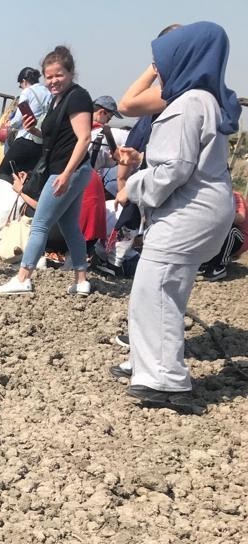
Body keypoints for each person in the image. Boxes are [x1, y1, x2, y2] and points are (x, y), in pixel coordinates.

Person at [114, 21, 239, 410]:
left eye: (165, 60)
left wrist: (131, 187)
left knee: (158, 291)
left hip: (189, 213)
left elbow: (174, 169)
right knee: (158, 290)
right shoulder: (204, 99)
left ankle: (166, 379)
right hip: (203, 210)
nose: (161, 68)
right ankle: (146, 364)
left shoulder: (186, 104)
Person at [0, 46, 94, 296]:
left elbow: (84, 139)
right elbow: (58, 138)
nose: (53, 81)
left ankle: (23, 277)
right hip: (68, 169)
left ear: (70, 73)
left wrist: (66, 174)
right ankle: (82, 280)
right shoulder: (57, 100)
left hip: (66, 170)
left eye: (58, 75)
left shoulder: (78, 97)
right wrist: (36, 130)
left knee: (39, 224)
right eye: (49, 76)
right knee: (69, 225)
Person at [0, 67, 52, 180]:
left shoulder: (27, 92)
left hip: (25, 138)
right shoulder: (48, 92)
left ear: (24, 81)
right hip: (40, 142)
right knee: (26, 177)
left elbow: (19, 118)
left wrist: (9, 124)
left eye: (20, 85)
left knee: (4, 171)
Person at [197, 191, 247, 281]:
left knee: (228, 228)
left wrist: (220, 215)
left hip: (239, 237)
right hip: (224, 238)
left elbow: (241, 217)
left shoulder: (235, 196)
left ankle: (218, 267)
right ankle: (205, 262)